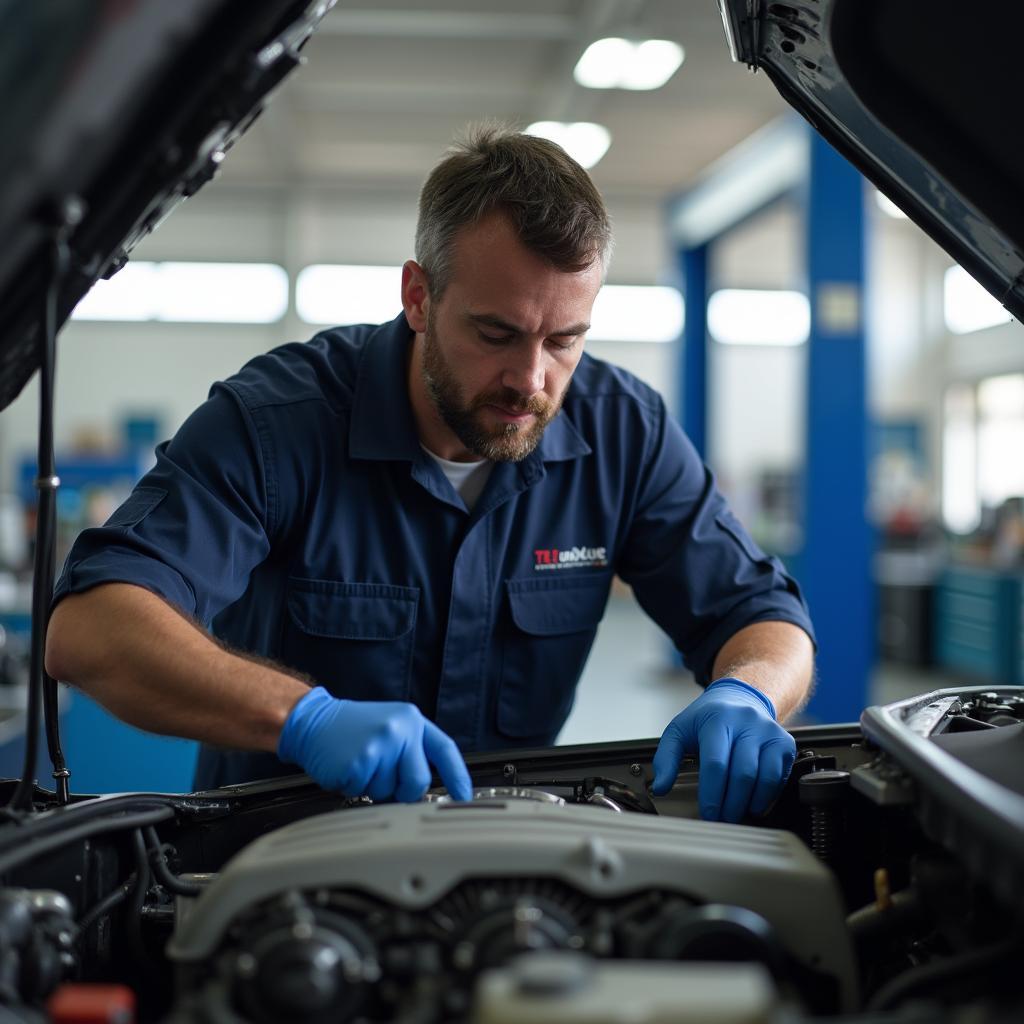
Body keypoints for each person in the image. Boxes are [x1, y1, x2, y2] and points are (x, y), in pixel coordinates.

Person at [45, 125, 815, 823]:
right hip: (276, 865)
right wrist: (301, 717)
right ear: (418, 296)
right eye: (496, 333)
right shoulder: (280, 423)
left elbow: (762, 612)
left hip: (502, 862)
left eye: (565, 340)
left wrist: (749, 691)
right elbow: (90, 630)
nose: (531, 379)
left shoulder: (623, 432)